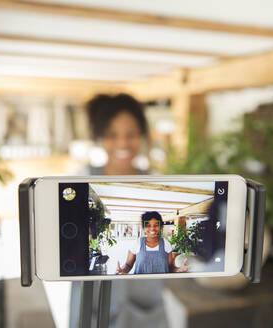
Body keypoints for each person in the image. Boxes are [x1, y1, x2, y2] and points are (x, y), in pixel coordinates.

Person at [68, 93, 167, 328]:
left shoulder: (158, 184)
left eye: (130, 134)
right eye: (112, 135)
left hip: (144, 302)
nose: (123, 143)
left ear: (142, 135)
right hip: (93, 301)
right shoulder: (79, 183)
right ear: (100, 138)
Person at [116, 211, 189, 274]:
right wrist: (122, 270)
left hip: (162, 286)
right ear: (144, 227)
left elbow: (170, 268)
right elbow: (128, 265)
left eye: (156, 225)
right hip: (140, 286)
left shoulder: (166, 244)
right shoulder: (137, 243)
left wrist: (179, 269)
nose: (152, 228)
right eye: (148, 225)